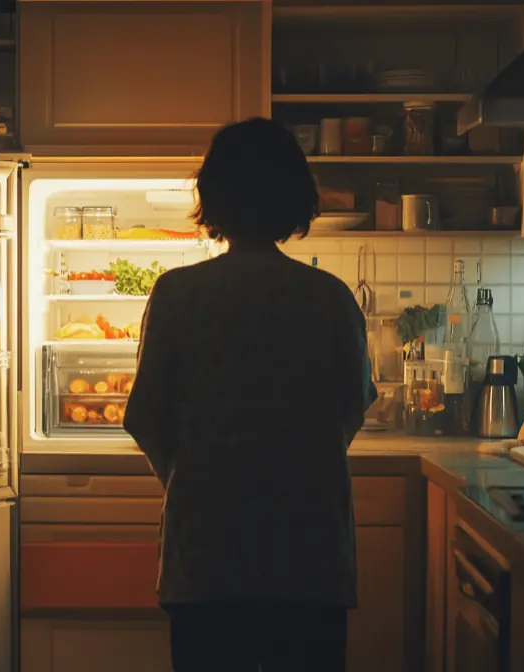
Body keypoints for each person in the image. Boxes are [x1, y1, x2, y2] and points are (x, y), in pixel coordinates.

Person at [123, 117, 377, 672]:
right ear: (297, 200)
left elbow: (143, 417)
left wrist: (192, 476)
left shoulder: (177, 294)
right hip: (309, 558)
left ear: (212, 198)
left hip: (206, 556)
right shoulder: (330, 299)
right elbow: (352, 409)